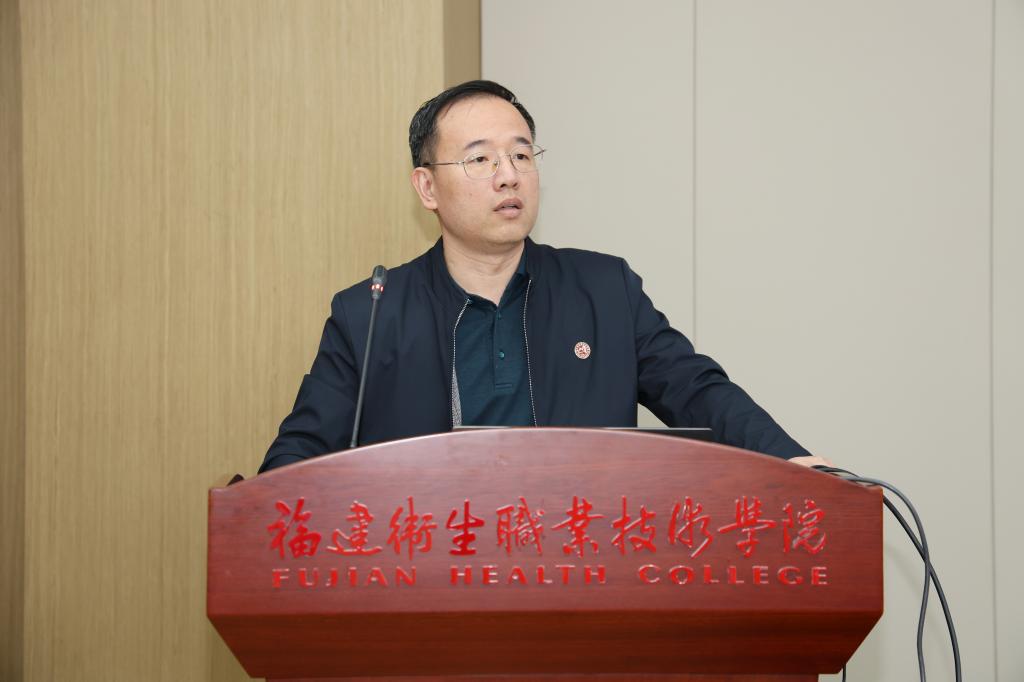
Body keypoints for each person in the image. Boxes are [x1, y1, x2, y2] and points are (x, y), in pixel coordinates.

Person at [259, 80, 826, 473]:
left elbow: (698, 392)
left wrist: (793, 463)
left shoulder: (604, 290)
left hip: (580, 575)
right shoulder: (371, 312)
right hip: (426, 583)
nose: (508, 175)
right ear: (427, 187)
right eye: (480, 159)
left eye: (522, 155)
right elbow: (300, 453)